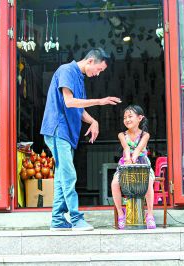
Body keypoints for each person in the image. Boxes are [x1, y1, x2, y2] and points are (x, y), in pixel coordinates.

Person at [40, 48, 121, 231]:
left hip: (67, 133)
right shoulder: (67, 70)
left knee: (62, 176)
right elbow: (69, 102)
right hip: (57, 130)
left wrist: (93, 121)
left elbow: (79, 108)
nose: (98, 74)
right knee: (69, 175)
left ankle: (58, 220)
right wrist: (100, 101)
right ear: (90, 61)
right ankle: (76, 219)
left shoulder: (79, 78)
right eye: (99, 69)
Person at [111, 105, 156, 229]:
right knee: (115, 183)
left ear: (140, 118)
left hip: (142, 163)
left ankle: (150, 215)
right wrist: (128, 160)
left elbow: (138, 150)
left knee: (148, 182)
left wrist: (133, 159)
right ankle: (121, 213)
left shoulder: (145, 135)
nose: (127, 119)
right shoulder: (122, 135)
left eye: (130, 116)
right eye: (125, 117)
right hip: (126, 163)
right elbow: (126, 148)